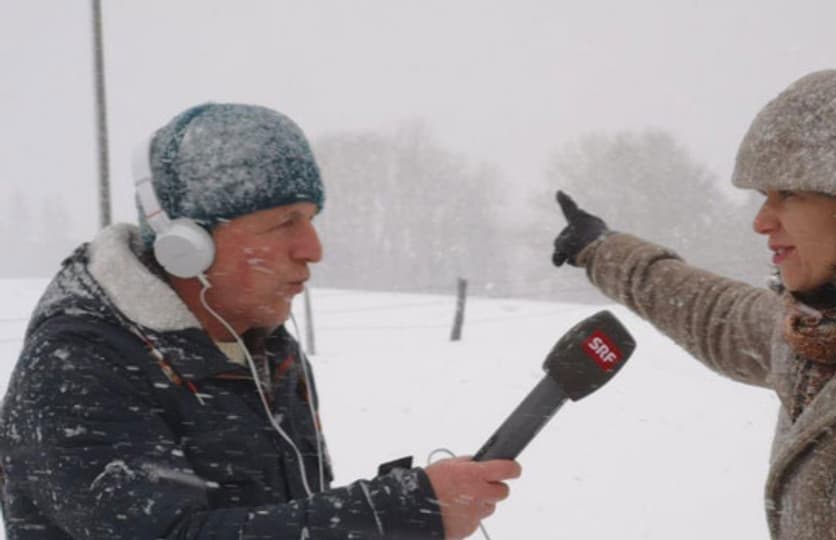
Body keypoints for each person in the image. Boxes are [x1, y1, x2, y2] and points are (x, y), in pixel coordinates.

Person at [0, 103, 520, 539]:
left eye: (311, 219)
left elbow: (282, 515)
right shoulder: (80, 366)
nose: (312, 249)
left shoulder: (265, 350)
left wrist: (406, 509)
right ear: (187, 244)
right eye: (283, 223)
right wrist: (395, 514)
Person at [552, 68, 836, 539]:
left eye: (789, 194)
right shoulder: (818, 336)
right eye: (765, 197)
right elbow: (708, 310)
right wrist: (602, 248)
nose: (762, 221)